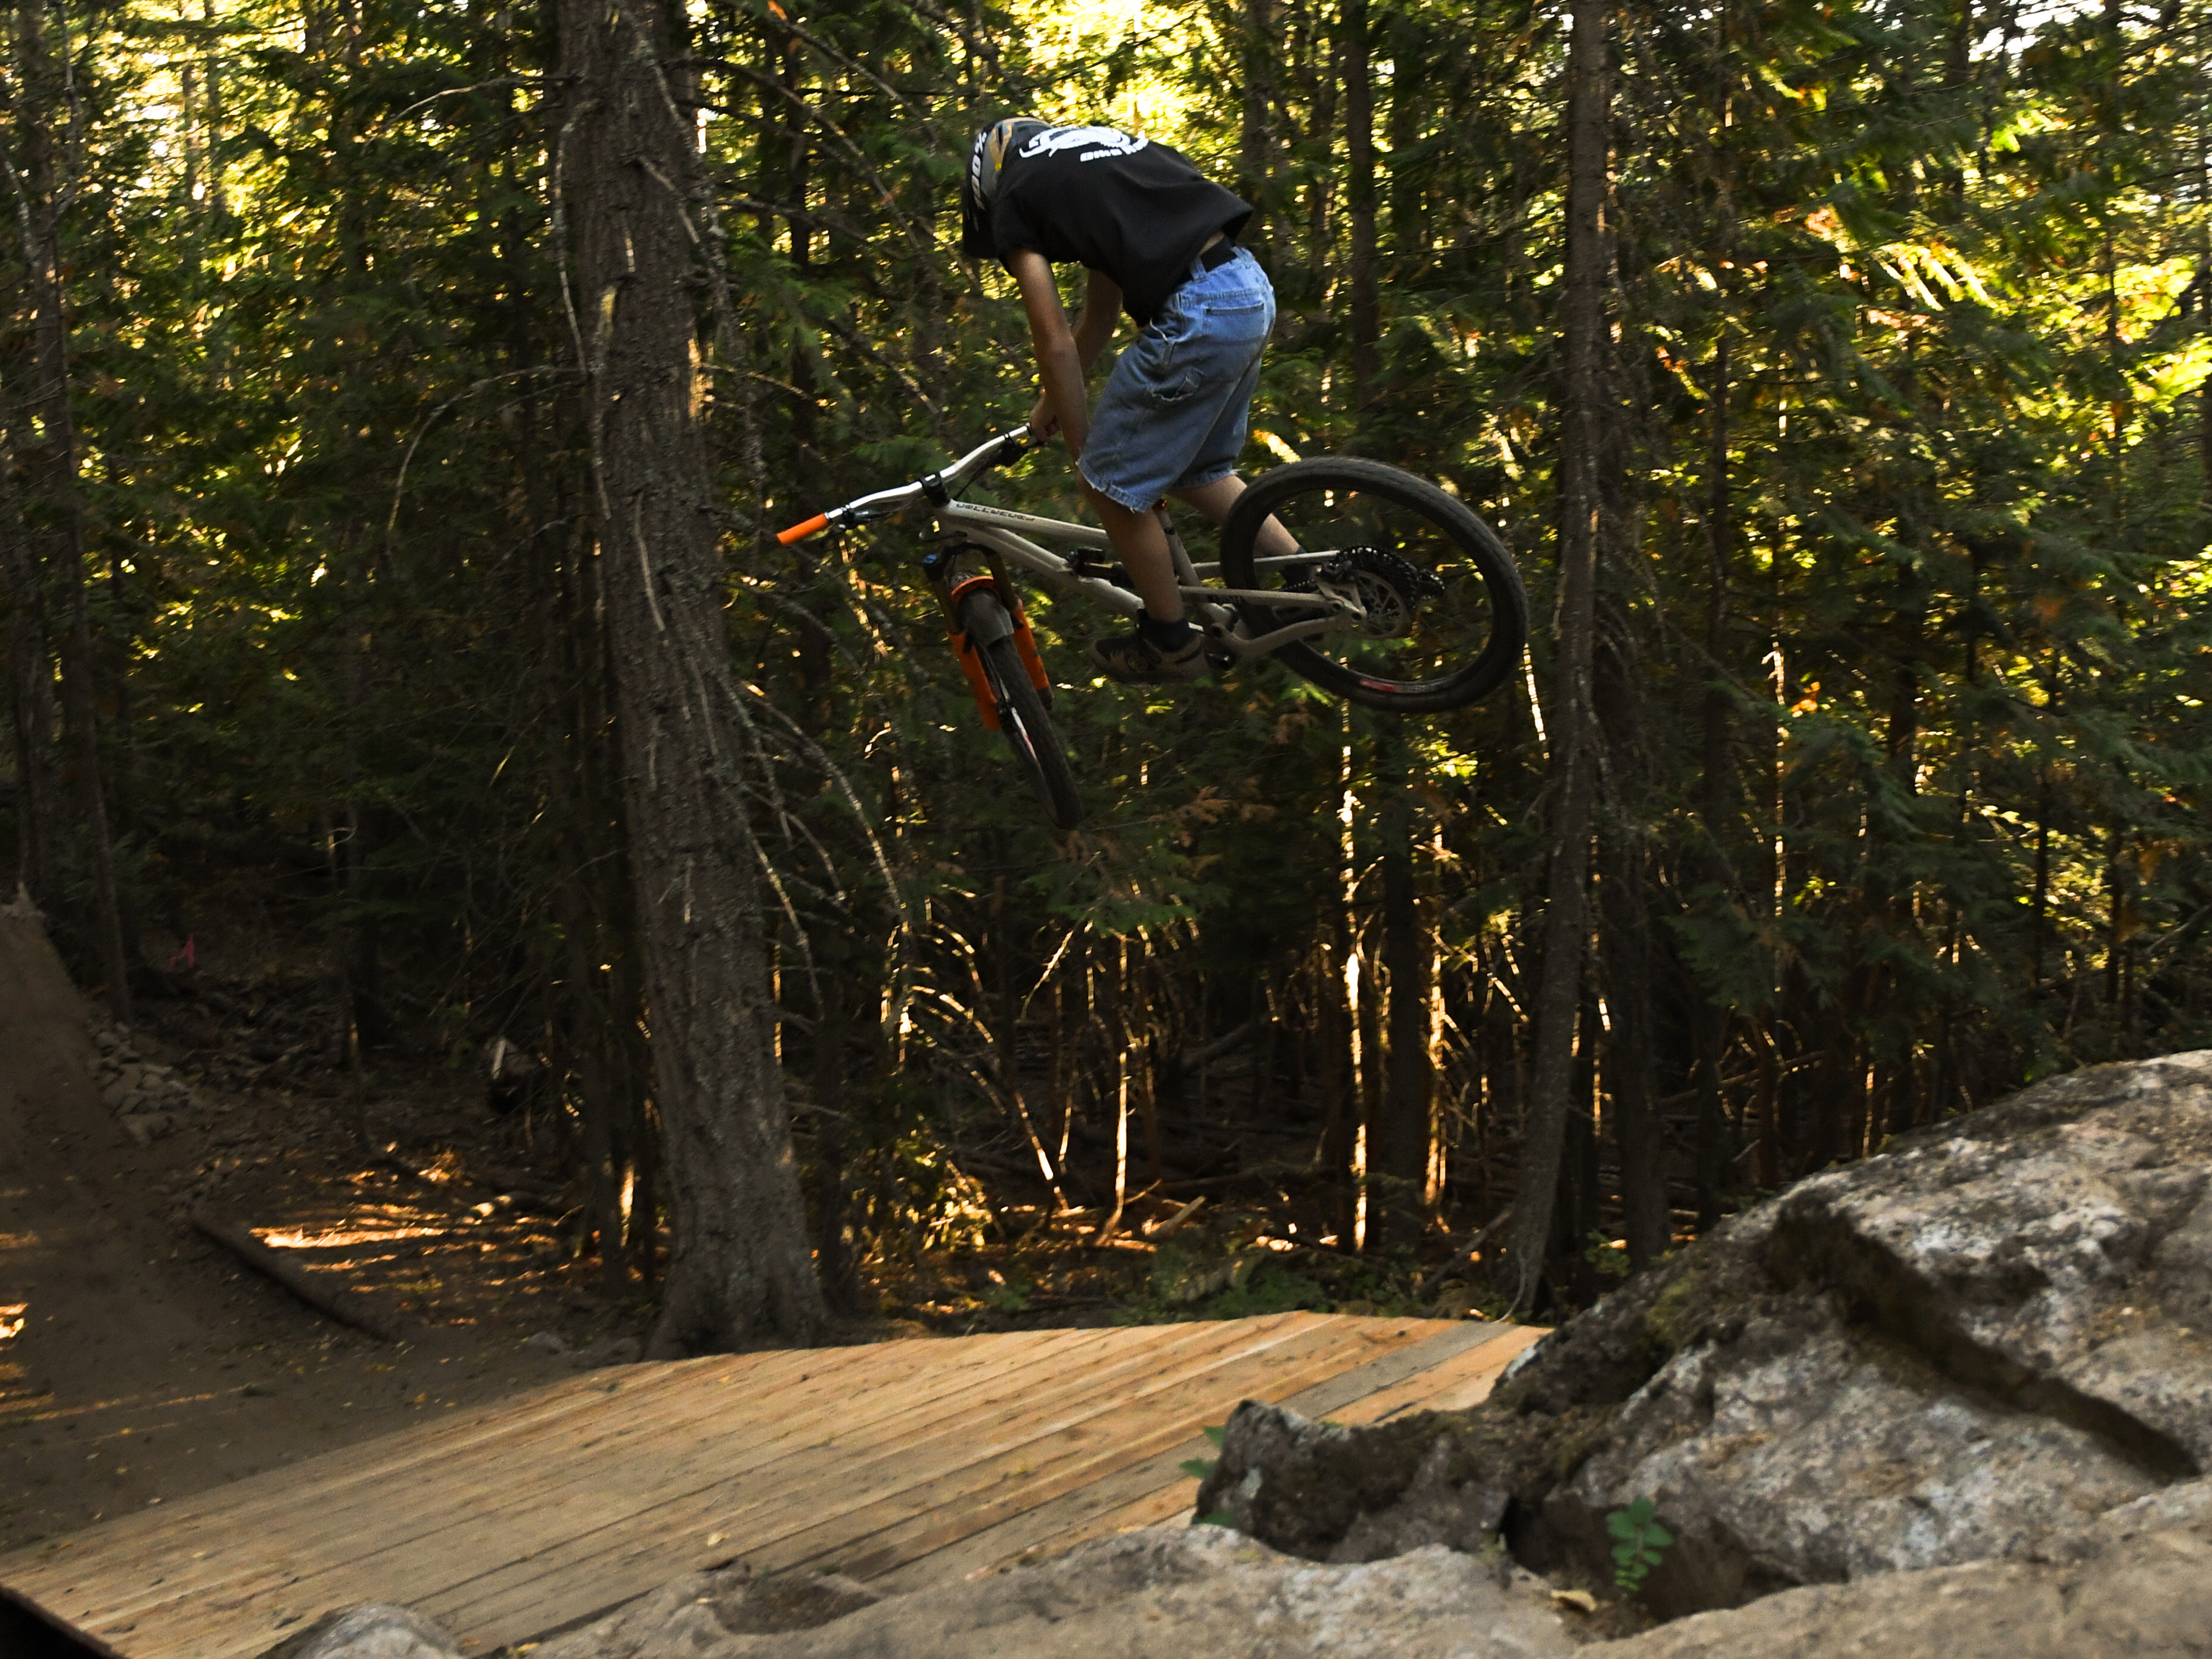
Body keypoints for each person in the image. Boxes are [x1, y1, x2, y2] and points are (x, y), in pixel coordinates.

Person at [959, 117, 1277, 685]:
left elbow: (1052, 338)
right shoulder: (1097, 158)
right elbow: (1098, 320)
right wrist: (1045, 412)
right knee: (1196, 471)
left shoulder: (1014, 196)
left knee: (1108, 482)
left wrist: (1088, 457)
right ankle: (1311, 580)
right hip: (1245, 290)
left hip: (1198, 313)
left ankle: (1170, 642)